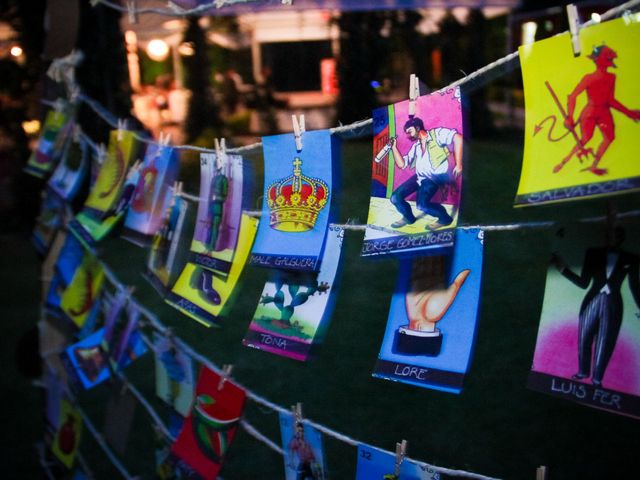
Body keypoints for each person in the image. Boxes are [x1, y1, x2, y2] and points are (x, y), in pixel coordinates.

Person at [552, 226, 640, 387]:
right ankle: (583, 371)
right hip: (591, 300)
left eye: (615, 236)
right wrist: (562, 269)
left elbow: (635, 286)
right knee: (584, 337)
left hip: (613, 303)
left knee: (605, 342)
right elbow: (583, 283)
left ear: (621, 238)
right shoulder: (593, 253)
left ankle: (597, 378)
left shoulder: (632, 258)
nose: (611, 239)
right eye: (608, 235)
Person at [556, 45, 640, 176]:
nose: (610, 61)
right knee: (586, 138)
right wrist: (570, 117)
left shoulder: (611, 77)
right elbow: (573, 96)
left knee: (610, 137)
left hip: (604, 112)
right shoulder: (589, 78)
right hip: (590, 112)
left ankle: (593, 165)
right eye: (607, 58)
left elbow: (610, 100)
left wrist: (629, 113)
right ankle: (563, 163)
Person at [387, 116, 462, 230]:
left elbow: (458, 138)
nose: (408, 135)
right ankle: (408, 218)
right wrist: (394, 147)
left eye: (410, 131)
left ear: (417, 128)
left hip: (433, 178)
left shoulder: (436, 134)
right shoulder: (416, 146)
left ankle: (444, 218)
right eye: (406, 133)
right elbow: (402, 164)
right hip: (419, 177)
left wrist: (459, 164)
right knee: (395, 198)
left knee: (422, 205)